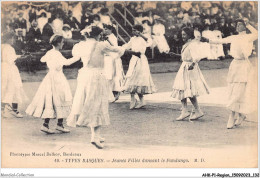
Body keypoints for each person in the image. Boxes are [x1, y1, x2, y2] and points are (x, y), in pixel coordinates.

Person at [66, 26, 126, 149]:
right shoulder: (101, 45)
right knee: (98, 105)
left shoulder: (80, 45)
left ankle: (97, 135)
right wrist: (123, 47)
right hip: (97, 76)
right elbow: (117, 52)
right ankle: (94, 136)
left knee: (89, 103)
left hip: (85, 76)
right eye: (100, 34)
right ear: (98, 35)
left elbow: (76, 58)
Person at [208, 19, 258, 129]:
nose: (237, 26)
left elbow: (257, 34)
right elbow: (221, 41)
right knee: (233, 90)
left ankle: (232, 115)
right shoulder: (234, 37)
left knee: (239, 91)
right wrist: (208, 40)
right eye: (237, 25)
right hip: (234, 65)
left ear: (244, 26)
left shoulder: (248, 37)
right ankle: (240, 115)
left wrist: (249, 24)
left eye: (240, 25)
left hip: (244, 66)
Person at [25, 35, 81, 134]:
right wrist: (77, 57)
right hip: (57, 78)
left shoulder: (50, 52)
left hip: (50, 77)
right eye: (62, 42)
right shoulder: (56, 54)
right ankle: (57, 124)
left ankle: (50, 125)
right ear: (58, 43)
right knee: (60, 99)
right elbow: (67, 63)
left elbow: (42, 59)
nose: (63, 44)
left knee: (51, 100)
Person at [171, 27, 210, 121]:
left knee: (187, 89)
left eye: (184, 34)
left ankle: (195, 110)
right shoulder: (188, 44)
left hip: (189, 68)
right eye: (182, 34)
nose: (182, 36)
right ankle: (186, 110)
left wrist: (192, 64)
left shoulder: (192, 44)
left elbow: (196, 57)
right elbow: (186, 56)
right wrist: (175, 55)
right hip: (185, 66)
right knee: (183, 89)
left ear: (189, 34)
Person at [123, 25, 157, 109]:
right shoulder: (133, 39)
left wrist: (141, 35)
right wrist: (119, 48)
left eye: (134, 30)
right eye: (132, 30)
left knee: (138, 80)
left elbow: (150, 42)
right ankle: (133, 99)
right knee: (131, 78)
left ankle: (141, 101)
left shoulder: (144, 38)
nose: (133, 32)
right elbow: (127, 46)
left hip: (141, 59)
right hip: (134, 59)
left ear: (139, 31)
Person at [2, 32, 27, 118]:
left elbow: (10, 56)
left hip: (2, 68)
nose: (13, 40)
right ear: (8, 39)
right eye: (12, 38)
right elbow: (11, 59)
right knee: (14, 87)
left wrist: (19, 56)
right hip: (10, 69)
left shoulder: (2, 46)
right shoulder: (9, 48)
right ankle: (14, 110)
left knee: (4, 88)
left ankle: (2, 110)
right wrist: (22, 58)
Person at [103, 24, 125, 102]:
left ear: (111, 30)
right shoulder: (104, 38)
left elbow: (114, 48)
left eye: (106, 29)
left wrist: (107, 40)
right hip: (106, 58)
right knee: (107, 76)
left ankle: (115, 92)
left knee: (112, 75)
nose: (104, 30)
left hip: (112, 58)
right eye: (104, 29)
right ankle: (110, 93)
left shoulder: (112, 37)